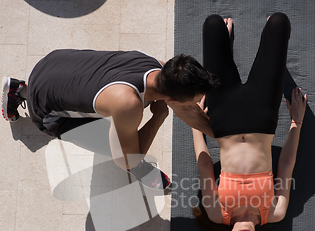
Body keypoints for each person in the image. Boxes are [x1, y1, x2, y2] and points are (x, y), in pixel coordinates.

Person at [192, 13, 307, 231]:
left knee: (212, 23)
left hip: (223, 117)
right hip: (261, 115)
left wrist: (195, 121)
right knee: (278, 22)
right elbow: (286, 165)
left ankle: (226, 41)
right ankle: (245, 44)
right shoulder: (274, 212)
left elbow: (206, 166)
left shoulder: (216, 214)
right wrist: (296, 123)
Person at [2, 49, 217, 189]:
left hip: (51, 63)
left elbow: (186, 111)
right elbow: (125, 160)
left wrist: (222, 136)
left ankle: (20, 89)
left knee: (113, 118)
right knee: (122, 147)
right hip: (45, 112)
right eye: (193, 102)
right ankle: (22, 94)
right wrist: (158, 118)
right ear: (172, 99)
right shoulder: (128, 104)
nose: (194, 106)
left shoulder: (157, 66)